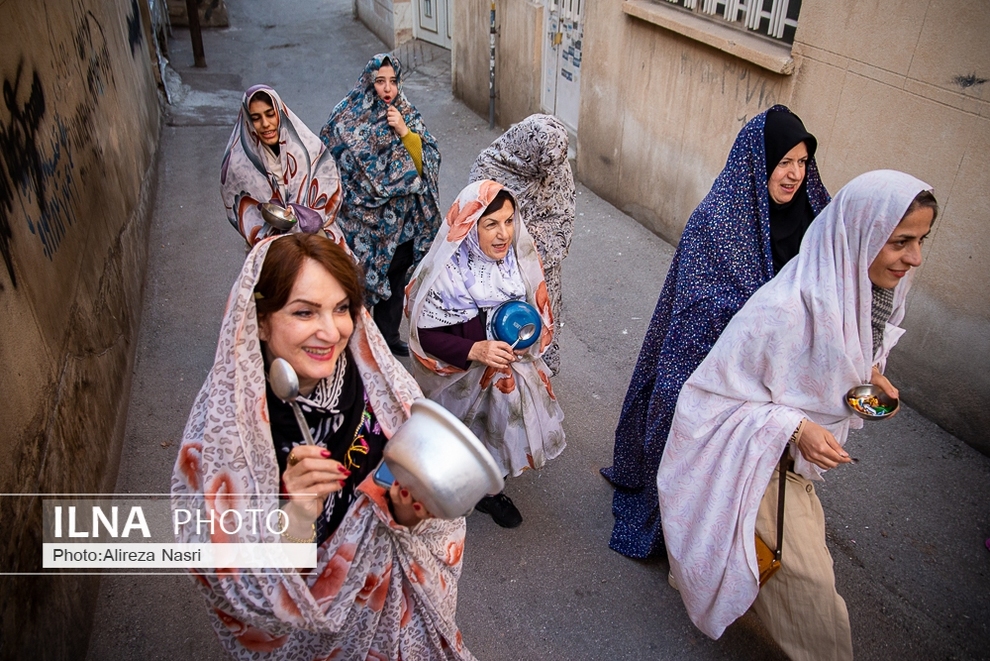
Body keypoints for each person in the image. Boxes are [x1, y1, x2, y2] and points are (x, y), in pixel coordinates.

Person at [659, 170, 937, 660]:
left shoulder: (867, 296)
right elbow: (705, 401)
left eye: (921, 241)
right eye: (900, 242)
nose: (914, 258)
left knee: (755, 559)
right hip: (758, 468)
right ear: (860, 235)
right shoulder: (786, 309)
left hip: (790, 465)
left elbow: (842, 358)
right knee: (813, 599)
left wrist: (871, 374)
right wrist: (796, 426)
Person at [171, 233, 476, 660]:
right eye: (303, 312)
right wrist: (296, 514)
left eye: (341, 309)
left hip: (396, 600)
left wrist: (408, 511)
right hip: (324, 635)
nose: (331, 332)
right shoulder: (229, 437)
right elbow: (247, 588)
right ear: (259, 320)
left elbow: (407, 484)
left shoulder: (374, 376)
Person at [600, 106, 831, 559]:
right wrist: (761, 322)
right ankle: (677, 533)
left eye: (803, 162)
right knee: (683, 427)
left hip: (784, 366)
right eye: (784, 162)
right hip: (708, 355)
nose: (795, 175)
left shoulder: (815, 215)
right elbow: (697, 306)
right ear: (758, 162)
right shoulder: (717, 219)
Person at [405, 180, 565, 528]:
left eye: (509, 221)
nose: (503, 234)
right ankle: (459, 489)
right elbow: (425, 333)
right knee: (459, 434)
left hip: (505, 375)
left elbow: (534, 302)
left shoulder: (517, 260)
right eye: (490, 224)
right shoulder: (446, 273)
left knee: (495, 430)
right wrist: (475, 348)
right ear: (469, 224)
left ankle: (490, 490)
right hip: (462, 378)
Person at [321, 54, 442, 357]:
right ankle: (355, 341)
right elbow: (328, 163)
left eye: (393, 81)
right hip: (363, 221)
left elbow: (427, 161)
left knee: (395, 274)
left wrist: (404, 132)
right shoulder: (345, 116)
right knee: (358, 278)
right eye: (380, 81)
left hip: (400, 221)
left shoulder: (406, 113)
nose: (387, 88)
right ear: (368, 81)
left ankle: (388, 338)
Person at [469, 113, 575, 375]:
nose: (550, 173)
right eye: (544, 164)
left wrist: (530, 249)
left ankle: (537, 382)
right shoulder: (491, 166)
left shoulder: (555, 165)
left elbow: (563, 216)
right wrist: (510, 241)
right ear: (528, 149)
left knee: (538, 324)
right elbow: (474, 220)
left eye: (555, 164)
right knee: (501, 330)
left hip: (541, 268)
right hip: (496, 266)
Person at [221, 85, 343, 246]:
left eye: (270, 115)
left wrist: (301, 215)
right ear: (248, 121)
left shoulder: (310, 149)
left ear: (280, 112)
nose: (265, 124)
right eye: (256, 118)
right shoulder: (238, 164)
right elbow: (243, 212)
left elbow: (330, 187)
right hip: (270, 247)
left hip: (317, 238)